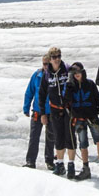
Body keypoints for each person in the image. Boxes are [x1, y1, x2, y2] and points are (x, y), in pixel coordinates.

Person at [64, 62, 99, 181]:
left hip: (92, 117)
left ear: (82, 71)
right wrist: (68, 86)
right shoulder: (70, 86)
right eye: (74, 73)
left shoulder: (90, 84)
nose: (76, 75)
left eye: (78, 72)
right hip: (78, 119)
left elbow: (98, 100)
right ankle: (86, 169)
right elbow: (65, 102)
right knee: (83, 144)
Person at [37, 46, 71, 176]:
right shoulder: (46, 75)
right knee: (58, 137)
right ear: (50, 59)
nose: (57, 59)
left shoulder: (67, 70)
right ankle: (60, 164)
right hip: (54, 110)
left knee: (70, 137)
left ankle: (71, 164)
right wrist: (43, 114)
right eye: (54, 57)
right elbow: (41, 94)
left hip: (68, 109)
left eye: (59, 56)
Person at [22, 54, 55, 168]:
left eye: (48, 64)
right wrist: (26, 107)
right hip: (37, 111)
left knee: (50, 138)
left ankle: (49, 161)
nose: (46, 66)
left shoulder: (54, 76)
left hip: (51, 112)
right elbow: (29, 92)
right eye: (44, 64)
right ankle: (30, 161)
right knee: (34, 137)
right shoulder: (36, 76)